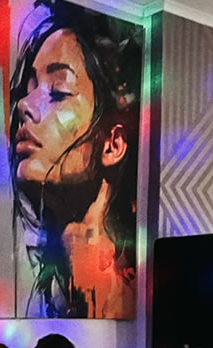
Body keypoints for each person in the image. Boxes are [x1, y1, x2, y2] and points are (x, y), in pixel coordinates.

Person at [9, 0, 141, 319]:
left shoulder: (126, 296)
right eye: (29, 89)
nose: (24, 105)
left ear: (112, 145)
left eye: (58, 92)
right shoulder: (46, 291)